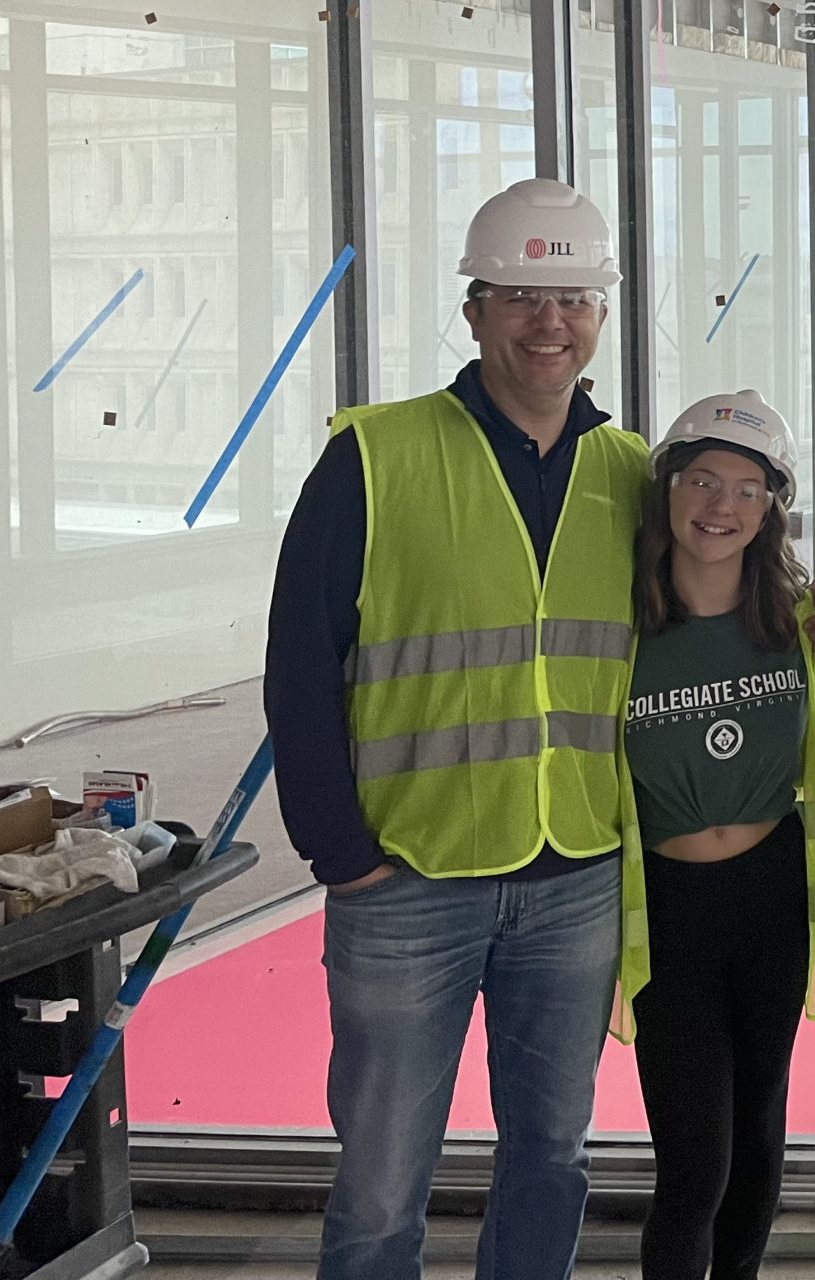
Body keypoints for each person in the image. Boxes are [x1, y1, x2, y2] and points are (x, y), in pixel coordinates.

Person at [264, 179, 646, 1280]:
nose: (549, 322)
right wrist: (341, 852)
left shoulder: (633, 476)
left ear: (601, 315)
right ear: (474, 310)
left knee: (552, 1158)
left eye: (571, 296)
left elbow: (712, 618)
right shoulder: (373, 459)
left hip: (573, 870)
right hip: (406, 879)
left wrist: (806, 623)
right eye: (521, 295)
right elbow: (299, 667)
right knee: (382, 1186)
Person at [621, 389, 815, 1280]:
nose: (721, 507)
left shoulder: (798, 620)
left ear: (770, 511)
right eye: (703, 481)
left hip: (771, 897)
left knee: (759, 1138)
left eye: (746, 490)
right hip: (668, 906)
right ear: (669, 491)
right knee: (694, 1164)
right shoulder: (619, 627)